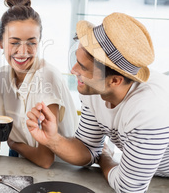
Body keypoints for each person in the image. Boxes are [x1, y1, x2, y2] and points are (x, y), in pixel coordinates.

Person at [27, 12, 169, 192]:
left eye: (83, 67)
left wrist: (106, 158)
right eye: (76, 61)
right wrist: (52, 139)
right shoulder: (93, 89)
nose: (73, 70)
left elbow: (127, 188)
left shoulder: (150, 109)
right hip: (147, 177)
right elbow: (87, 149)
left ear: (115, 80)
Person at [0, 0, 78, 168]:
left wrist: (13, 144)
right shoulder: (0, 78)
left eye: (31, 43)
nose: (22, 52)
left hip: (61, 169)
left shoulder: (47, 78)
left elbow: (45, 160)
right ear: (0, 41)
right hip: (23, 159)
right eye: (14, 42)